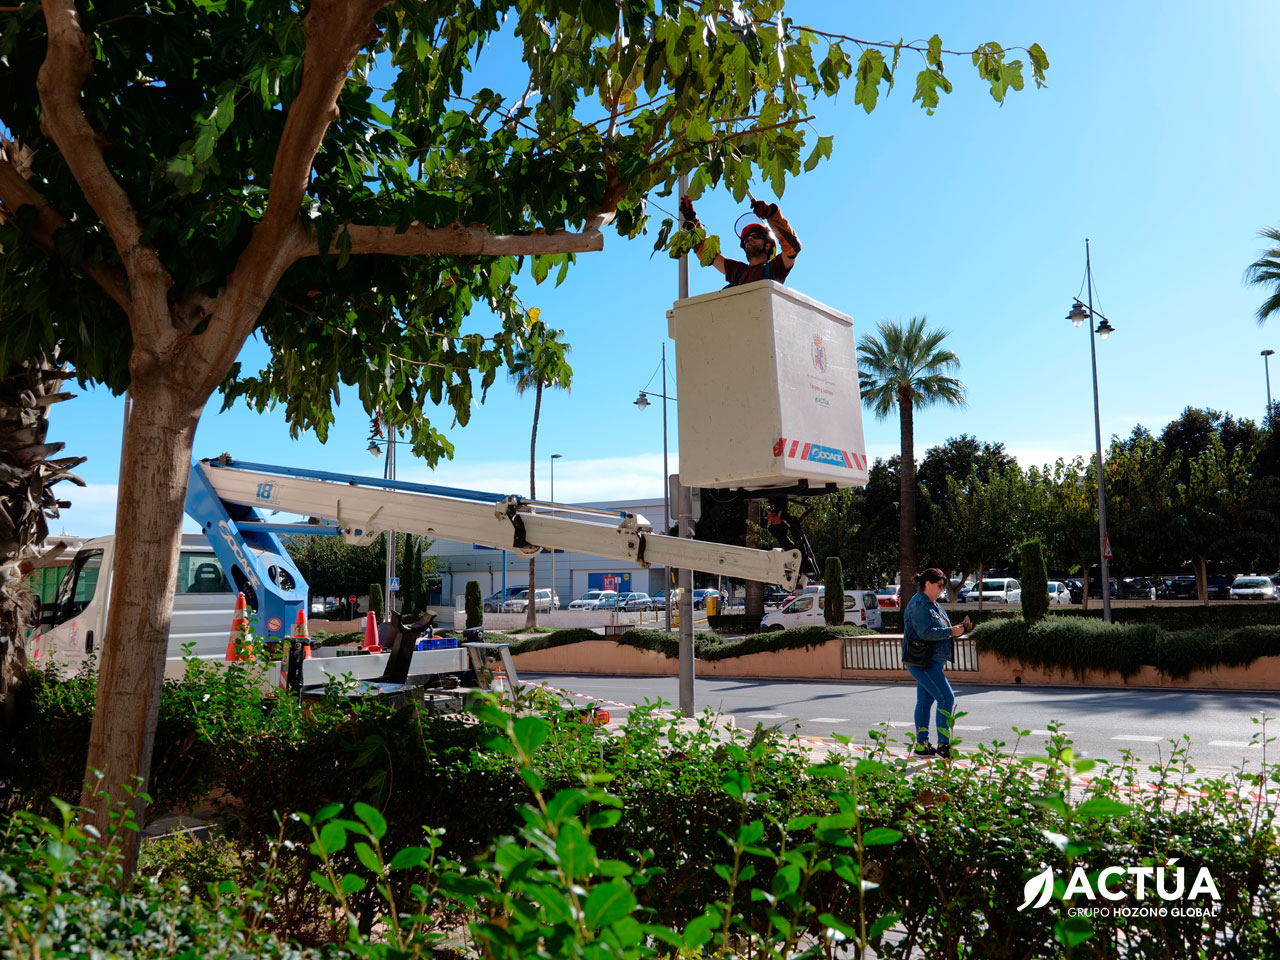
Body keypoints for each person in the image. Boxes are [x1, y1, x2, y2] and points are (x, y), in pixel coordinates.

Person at [900, 568, 972, 759]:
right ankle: (943, 745)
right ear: (928, 584)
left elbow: (939, 629)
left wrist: (958, 629)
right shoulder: (919, 605)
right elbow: (925, 632)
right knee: (947, 698)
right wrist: (951, 631)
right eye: (940, 586)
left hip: (930, 662)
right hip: (923, 662)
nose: (942, 590)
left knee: (924, 703)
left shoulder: (932, 604)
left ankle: (922, 746)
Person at [678, 195, 801, 287]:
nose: (750, 238)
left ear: (768, 245)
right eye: (747, 238)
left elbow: (792, 246)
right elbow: (709, 255)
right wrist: (692, 222)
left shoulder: (775, 268)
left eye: (756, 236)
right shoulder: (738, 271)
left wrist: (772, 214)